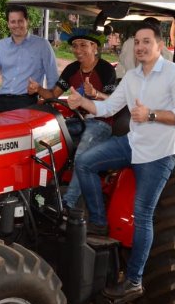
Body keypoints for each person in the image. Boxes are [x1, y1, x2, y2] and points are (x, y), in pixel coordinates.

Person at [67, 21, 175, 300]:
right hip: (133, 144)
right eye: (137, 42)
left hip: (159, 152)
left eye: (147, 41)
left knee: (142, 215)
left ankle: (134, 280)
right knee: (85, 161)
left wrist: (150, 115)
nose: (140, 47)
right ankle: (99, 222)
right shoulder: (133, 77)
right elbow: (108, 107)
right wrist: (82, 103)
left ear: (160, 45)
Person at [27, 33, 116, 212]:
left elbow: (113, 102)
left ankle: (68, 203)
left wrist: (95, 94)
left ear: (94, 47)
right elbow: (53, 95)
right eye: (75, 46)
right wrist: (38, 89)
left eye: (83, 45)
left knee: (81, 156)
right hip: (78, 119)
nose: (78, 50)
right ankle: (39, 192)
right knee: (43, 141)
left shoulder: (106, 69)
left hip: (100, 121)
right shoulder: (72, 69)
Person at [0, 4, 58, 114]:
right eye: (13, 22)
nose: (17, 25)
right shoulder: (1, 45)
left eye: (20, 21)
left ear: (27, 21)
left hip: (27, 100)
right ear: (8, 24)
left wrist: (48, 99)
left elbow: (52, 77)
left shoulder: (42, 45)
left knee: (18, 131)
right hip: (2, 99)